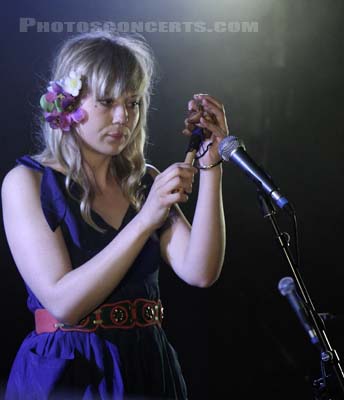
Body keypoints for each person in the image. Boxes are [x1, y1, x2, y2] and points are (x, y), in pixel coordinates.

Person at [2, 31, 227, 399]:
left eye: (134, 102)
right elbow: (63, 305)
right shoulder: (26, 182)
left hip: (147, 366)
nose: (124, 117)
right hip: (69, 373)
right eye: (107, 101)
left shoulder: (143, 182)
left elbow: (200, 271)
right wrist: (144, 220)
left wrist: (211, 166)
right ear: (66, 103)